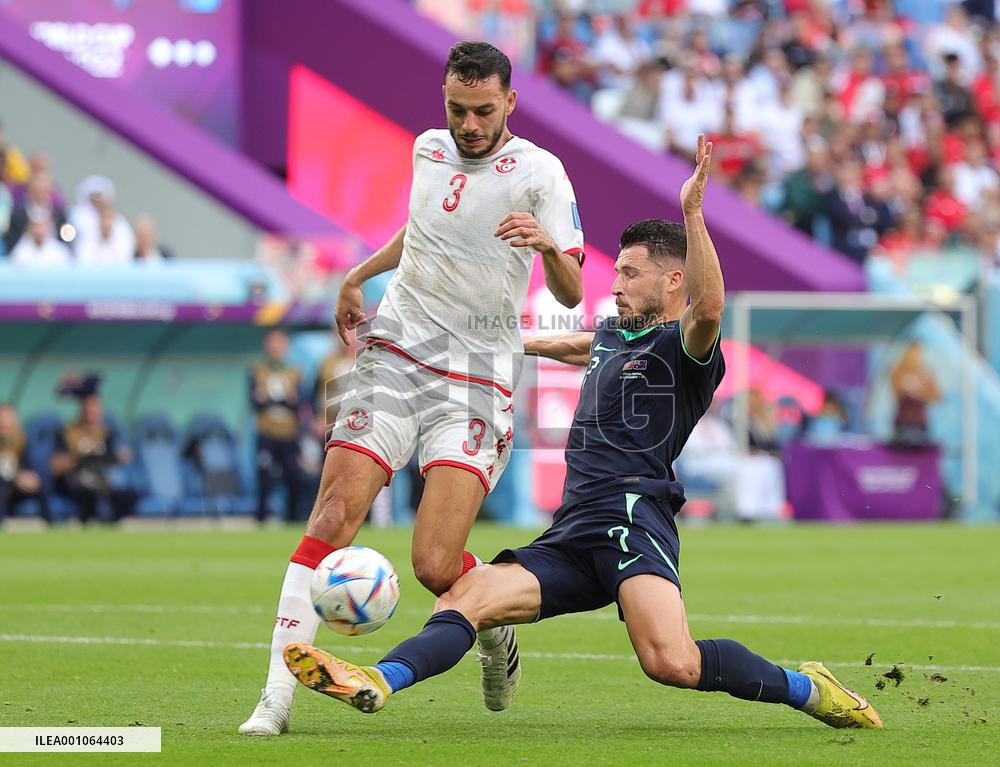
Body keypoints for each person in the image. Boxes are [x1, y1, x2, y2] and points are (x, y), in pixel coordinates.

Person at [282, 135, 883, 731]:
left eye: (628, 272)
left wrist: (693, 213)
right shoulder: (612, 335)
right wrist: (494, 342)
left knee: (671, 661)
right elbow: (575, 342)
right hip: (573, 527)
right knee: (466, 599)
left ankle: (810, 689)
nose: (614, 282)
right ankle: (379, 680)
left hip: (631, 516)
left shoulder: (686, 348)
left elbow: (709, 310)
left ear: (672, 282)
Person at [239, 41, 585, 735]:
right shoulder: (428, 148)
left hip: (477, 376)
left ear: (510, 102)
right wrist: (357, 274)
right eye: (457, 109)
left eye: (483, 111)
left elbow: (572, 294)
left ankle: (490, 625)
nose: (469, 124)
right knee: (334, 514)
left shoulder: (543, 174)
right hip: (397, 350)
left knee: (433, 562)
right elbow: (424, 231)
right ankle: (275, 697)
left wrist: (547, 245)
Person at [49, 374, 136, 524]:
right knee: (88, 497)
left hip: (102, 482)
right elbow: (54, 465)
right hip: (76, 483)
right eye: (88, 407)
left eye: (95, 408)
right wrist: (79, 456)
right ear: (82, 409)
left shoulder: (107, 433)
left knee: (127, 495)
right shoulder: (68, 432)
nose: (92, 412)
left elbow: (120, 457)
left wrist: (119, 456)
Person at [251, 329, 306, 523]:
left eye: (280, 343)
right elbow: (255, 402)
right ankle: (261, 517)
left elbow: (298, 403)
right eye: (273, 343)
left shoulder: (294, 371)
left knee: (293, 477)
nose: (276, 347)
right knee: (264, 477)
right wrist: (283, 400)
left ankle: (292, 518)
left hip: (289, 434)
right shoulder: (258, 369)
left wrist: (272, 400)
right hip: (266, 433)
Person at [0, 403, 50, 523]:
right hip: (4, 485)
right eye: (2, 426)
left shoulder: (22, 441)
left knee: (40, 482)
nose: (5, 430)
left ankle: (51, 523)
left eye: (8, 426)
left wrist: (27, 477)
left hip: (16, 487)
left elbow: (30, 467)